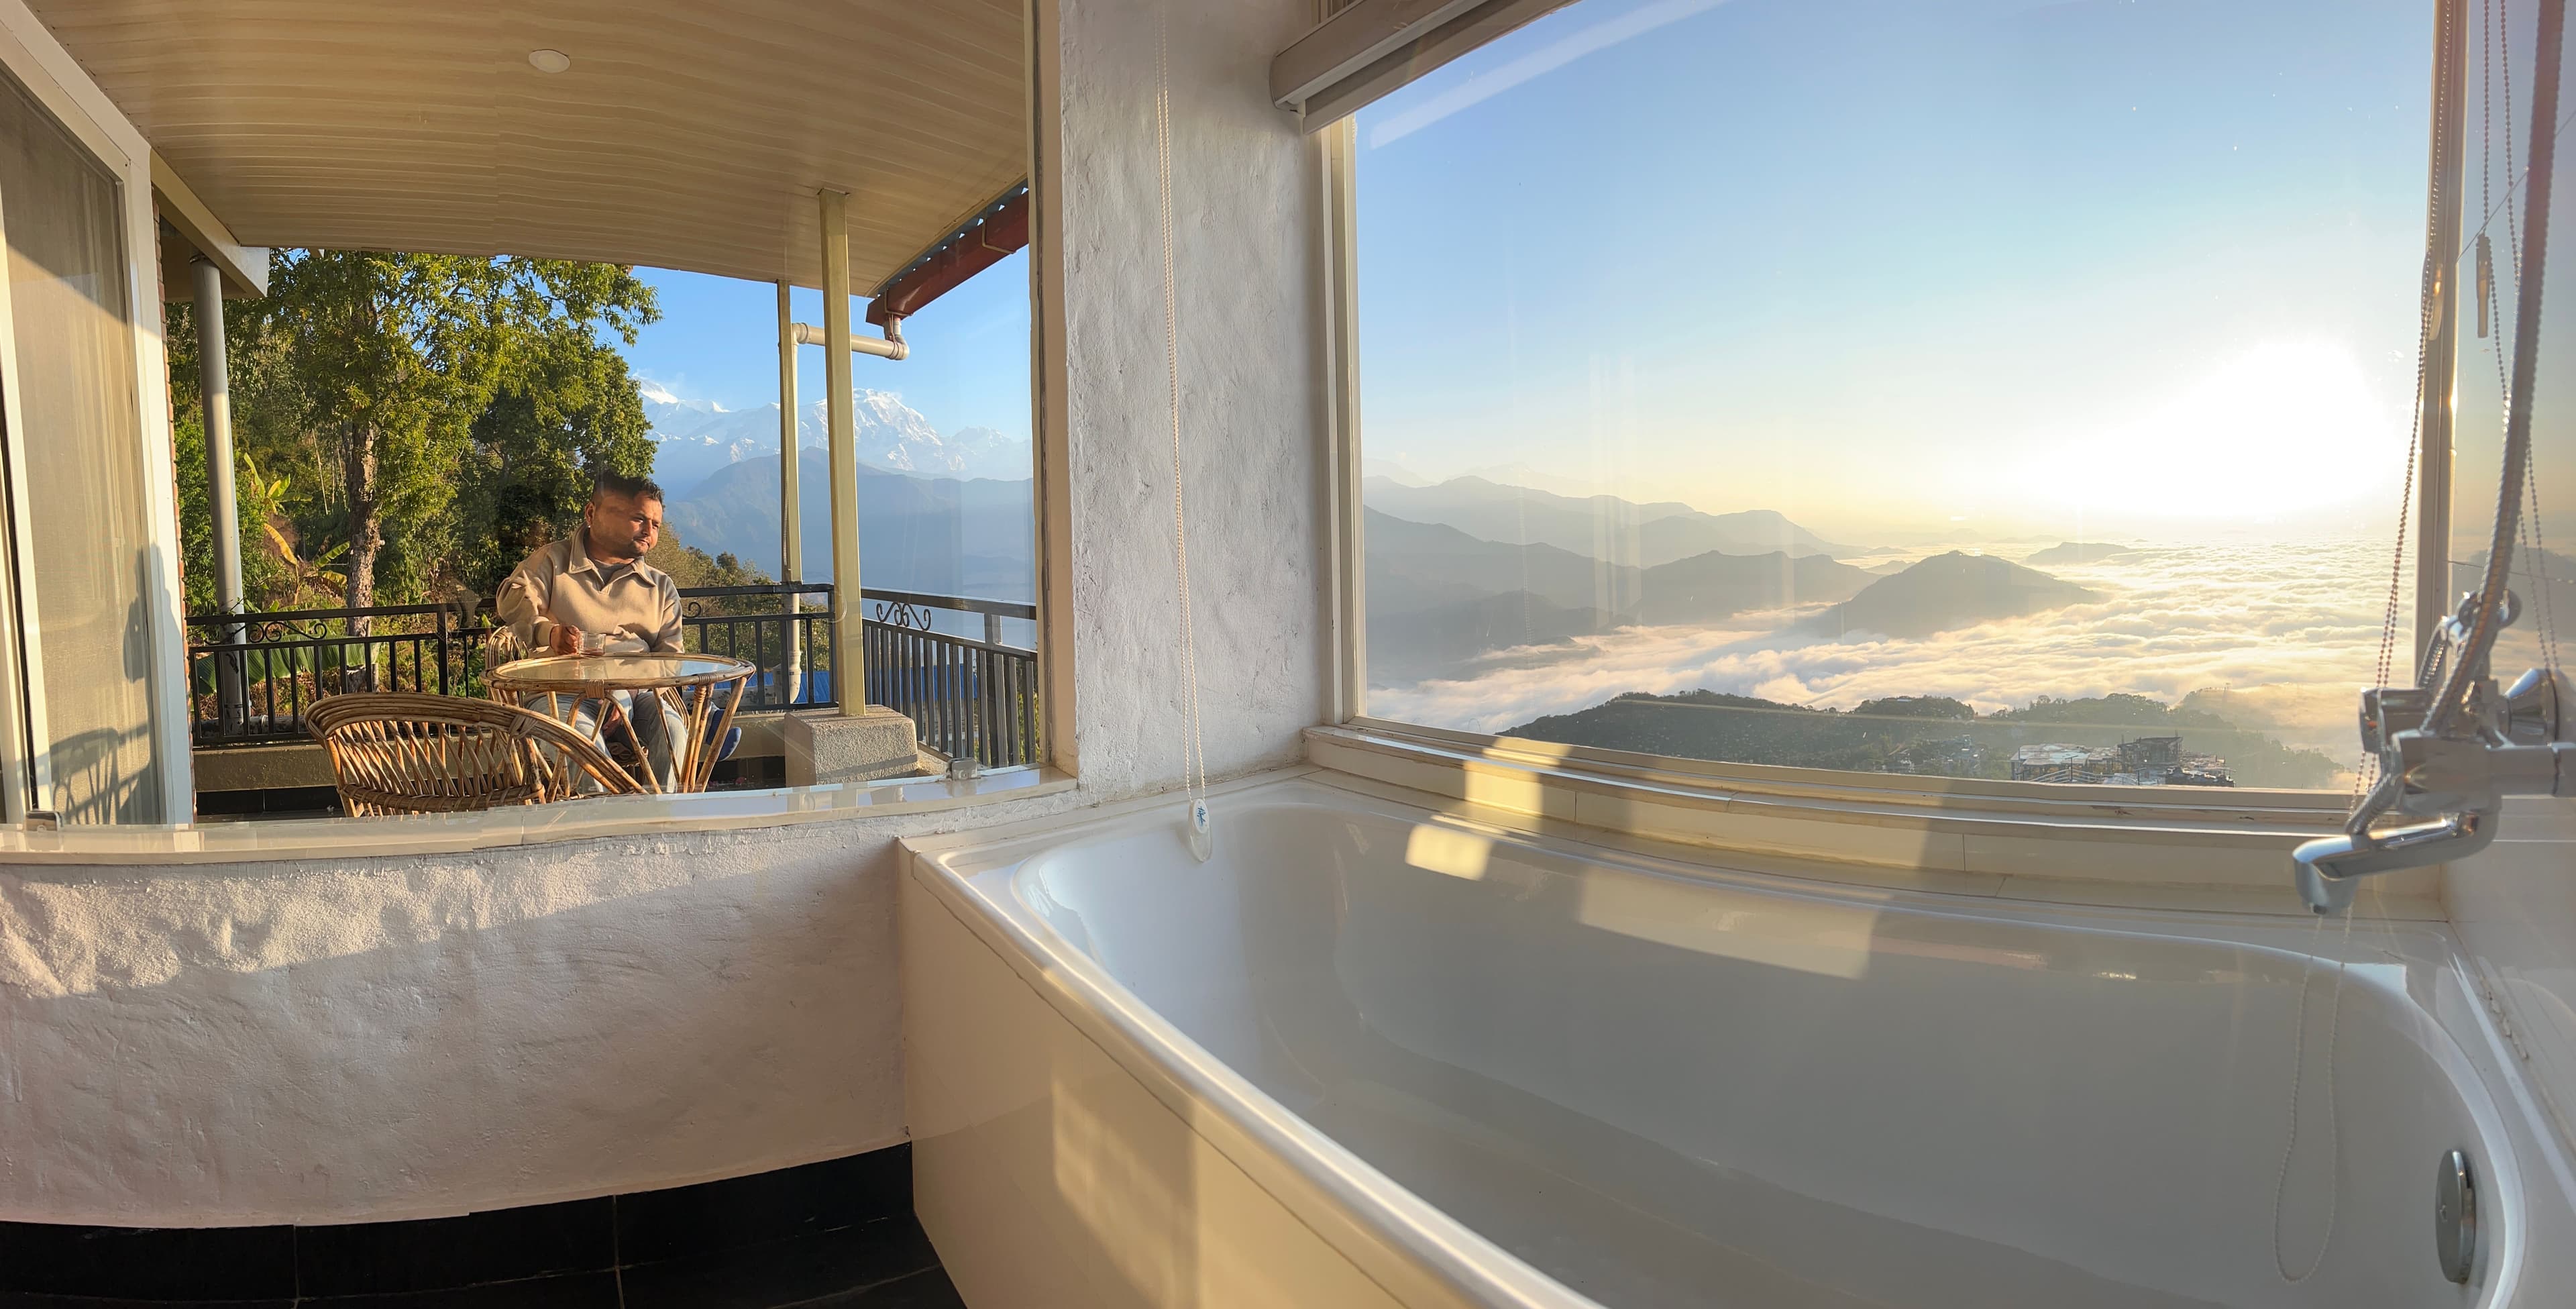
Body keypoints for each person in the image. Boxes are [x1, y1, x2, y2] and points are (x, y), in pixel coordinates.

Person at [496, 472, 686, 786]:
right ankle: (602, 826)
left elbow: (671, 658)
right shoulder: (553, 562)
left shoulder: (660, 587)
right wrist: (550, 634)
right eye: (639, 519)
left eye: (656, 525)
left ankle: (663, 817)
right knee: (583, 746)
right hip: (559, 692)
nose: (648, 532)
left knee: (673, 731)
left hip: (636, 694)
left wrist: (625, 692)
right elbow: (513, 600)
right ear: (591, 514)